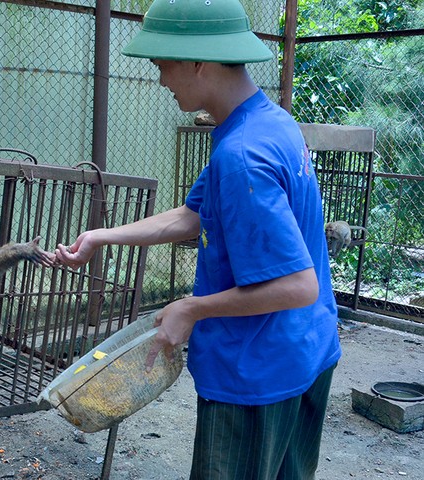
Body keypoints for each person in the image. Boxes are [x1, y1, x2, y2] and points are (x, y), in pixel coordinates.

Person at [55, 0, 342, 478]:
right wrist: (101, 237)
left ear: (198, 63)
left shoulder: (241, 155)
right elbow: (193, 216)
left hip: (257, 371)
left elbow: (298, 284)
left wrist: (192, 308)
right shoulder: (268, 123)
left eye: (164, 66)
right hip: (306, 349)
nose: (162, 80)